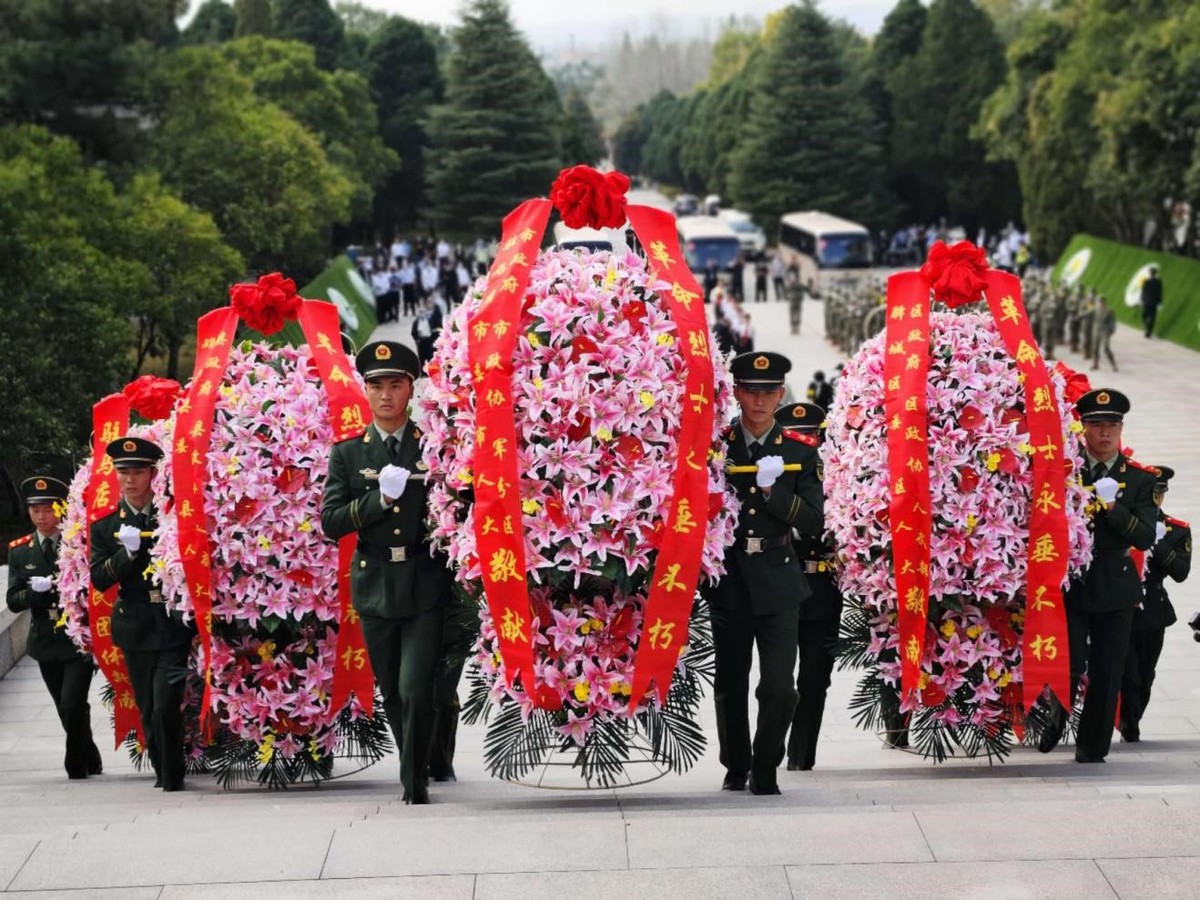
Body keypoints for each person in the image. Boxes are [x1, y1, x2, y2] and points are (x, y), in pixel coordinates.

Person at [321, 341, 449, 804]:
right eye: (376, 386)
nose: (385, 395)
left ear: (411, 389)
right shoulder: (349, 454)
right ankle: (413, 763)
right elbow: (331, 522)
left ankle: (413, 782)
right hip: (374, 583)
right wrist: (379, 500)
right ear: (366, 391)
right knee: (392, 689)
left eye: (395, 384)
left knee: (416, 688)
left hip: (423, 581)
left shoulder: (432, 446)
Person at [707, 352, 823, 795]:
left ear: (780, 394)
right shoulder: (718, 445)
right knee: (730, 683)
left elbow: (813, 519)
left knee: (779, 687)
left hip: (779, 577)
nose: (759, 401)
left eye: (769, 392)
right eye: (751, 391)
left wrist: (773, 493)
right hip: (732, 579)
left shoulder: (797, 449)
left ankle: (766, 761)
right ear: (736, 391)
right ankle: (737, 764)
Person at [1038, 390, 1157, 762]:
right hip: (1073, 580)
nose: (1104, 433)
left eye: (1112, 425)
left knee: (1108, 671)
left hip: (1116, 581)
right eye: (1095, 424)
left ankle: (1092, 747)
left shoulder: (1139, 479)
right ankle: (1056, 720)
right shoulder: (1066, 469)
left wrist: (1113, 509)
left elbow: (1144, 536)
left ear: (1121, 429)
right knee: (1069, 663)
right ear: (1083, 427)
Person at [90, 437, 195, 790]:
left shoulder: (173, 516)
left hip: (170, 620)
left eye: (138, 471)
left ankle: (172, 776)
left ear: (153, 473)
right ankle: (163, 768)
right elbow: (99, 578)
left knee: (167, 703)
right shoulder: (105, 526)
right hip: (134, 624)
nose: (130, 479)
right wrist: (127, 554)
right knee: (148, 707)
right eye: (123, 472)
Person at [7, 476, 102, 780]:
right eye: (35, 510)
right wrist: (32, 594)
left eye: (48, 510)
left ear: (61, 510)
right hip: (45, 639)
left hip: (76, 636)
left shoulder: (78, 544)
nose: (42, 516)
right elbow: (13, 601)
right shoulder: (20, 551)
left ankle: (74, 761)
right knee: (65, 706)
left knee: (73, 701)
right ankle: (89, 753)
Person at [774, 404, 843, 772]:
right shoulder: (769, 476)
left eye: (811, 436)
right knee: (779, 682)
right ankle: (772, 748)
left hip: (823, 588)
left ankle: (802, 755)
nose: (806, 443)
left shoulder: (836, 480)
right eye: (796, 436)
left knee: (816, 677)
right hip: (783, 586)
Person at [1118, 466, 1190, 742]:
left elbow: (1181, 573)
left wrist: (1159, 543)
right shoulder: (1127, 522)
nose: (1155, 500)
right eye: (1151, 494)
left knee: (1146, 672)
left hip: (1153, 610)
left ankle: (1133, 717)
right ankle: (1127, 721)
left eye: (1159, 494)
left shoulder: (1176, 530)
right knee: (1128, 672)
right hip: (1122, 605)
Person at [1140, 266, 1162, 338]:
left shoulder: (1147, 281)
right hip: (1153, 303)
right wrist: (1159, 302)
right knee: (1152, 317)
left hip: (1147, 302)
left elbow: (1143, 292)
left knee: (1145, 316)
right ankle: (1149, 331)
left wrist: (1142, 300)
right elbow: (1160, 293)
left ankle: (1147, 328)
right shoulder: (1158, 282)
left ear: (1150, 273)